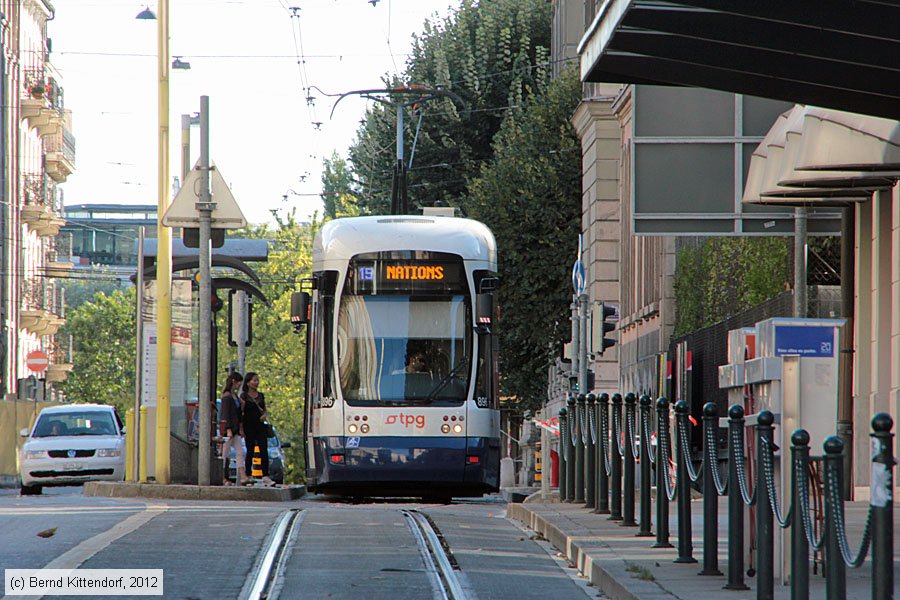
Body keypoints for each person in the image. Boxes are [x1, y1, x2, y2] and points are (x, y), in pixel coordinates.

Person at [240, 372, 272, 485]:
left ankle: (266, 475)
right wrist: (241, 428)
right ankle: (248, 474)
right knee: (250, 450)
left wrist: (264, 416)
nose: (256, 382)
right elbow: (241, 412)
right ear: (248, 382)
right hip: (249, 426)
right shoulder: (244, 396)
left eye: (257, 380)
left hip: (260, 426)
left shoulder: (261, 395)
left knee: (264, 450)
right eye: (254, 380)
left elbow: (264, 409)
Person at [219, 372, 247, 486]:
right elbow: (225, 414)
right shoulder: (227, 397)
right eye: (238, 382)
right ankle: (222, 477)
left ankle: (243, 475)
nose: (239, 385)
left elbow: (238, 413)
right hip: (228, 430)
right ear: (233, 382)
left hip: (235, 430)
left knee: (240, 452)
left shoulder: (235, 397)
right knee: (224, 454)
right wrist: (228, 428)